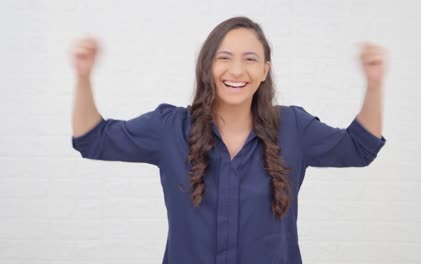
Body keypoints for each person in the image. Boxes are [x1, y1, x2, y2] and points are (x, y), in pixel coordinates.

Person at [70, 16, 387, 264]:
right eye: (224, 57)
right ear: (208, 66)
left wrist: (374, 84)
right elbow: (92, 140)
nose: (237, 70)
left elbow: (359, 148)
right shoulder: (169, 128)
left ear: (265, 70)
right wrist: (83, 77)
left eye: (250, 59)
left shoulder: (292, 127)